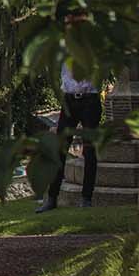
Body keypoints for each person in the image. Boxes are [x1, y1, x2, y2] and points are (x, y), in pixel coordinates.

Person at [38, 62, 100, 211]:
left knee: (89, 151)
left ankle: (86, 198)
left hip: (90, 99)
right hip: (69, 101)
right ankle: (52, 198)